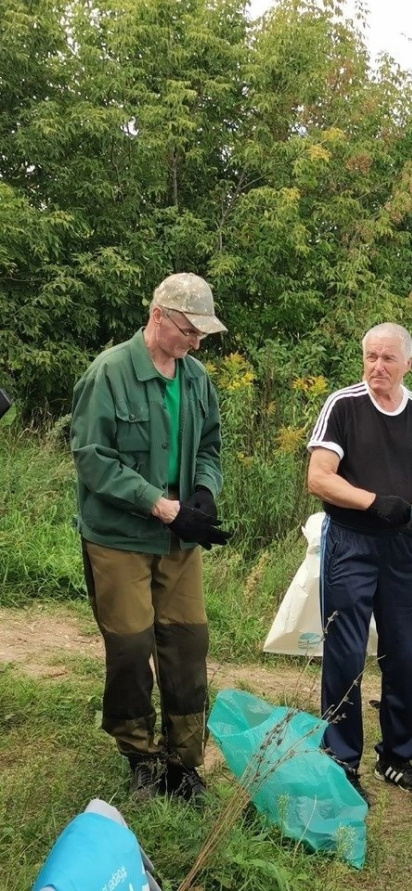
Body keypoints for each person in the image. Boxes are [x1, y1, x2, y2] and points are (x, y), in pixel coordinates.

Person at [70, 272, 231, 802]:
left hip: (178, 540)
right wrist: (160, 505)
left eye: (202, 335)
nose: (197, 343)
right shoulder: (109, 373)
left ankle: (184, 762)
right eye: (189, 331)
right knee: (130, 644)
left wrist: (202, 494)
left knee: (188, 642)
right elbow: (93, 460)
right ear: (158, 316)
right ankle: (139, 755)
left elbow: (209, 445)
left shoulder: (196, 377)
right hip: (119, 535)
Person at [306, 322, 412, 802]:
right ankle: (342, 760)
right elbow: (320, 477)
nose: (377, 368)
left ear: (408, 363)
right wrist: (371, 502)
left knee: (403, 654)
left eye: (387, 359)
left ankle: (397, 756)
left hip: (402, 548)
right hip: (352, 541)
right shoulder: (343, 406)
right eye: (370, 358)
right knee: (345, 652)